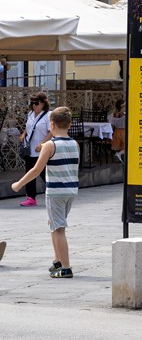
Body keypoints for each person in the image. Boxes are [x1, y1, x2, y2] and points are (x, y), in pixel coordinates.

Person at [11, 106, 79, 278]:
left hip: (55, 191)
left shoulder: (50, 145)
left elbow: (36, 170)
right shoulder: (74, 144)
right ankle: (58, 260)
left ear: (52, 124)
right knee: (54, 224)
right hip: (71, 191)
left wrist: (19, 184)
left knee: (59, 229)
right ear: (69, 125)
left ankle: (66, 267)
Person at [18, 92, 52, 207]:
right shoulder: (31, 114)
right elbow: (29, 127)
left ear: (43, 103)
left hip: (42, 150)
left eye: (36, 103)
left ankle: (54, 194)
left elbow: (51, 132)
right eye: (32, 103)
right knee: (29, 173)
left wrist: (42, 143)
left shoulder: (48, 115)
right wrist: (24, 134)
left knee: (44, 174)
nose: (34, 105)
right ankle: (31, 197)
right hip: (29, 148)